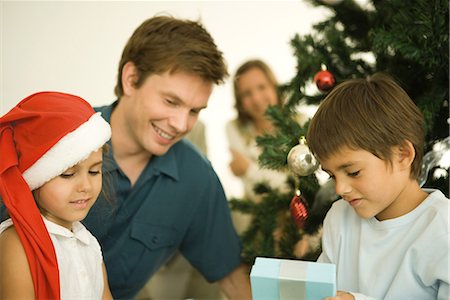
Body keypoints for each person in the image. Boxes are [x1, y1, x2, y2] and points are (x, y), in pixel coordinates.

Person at [82, 15, 252, 299]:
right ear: (131, 79)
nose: (182, 124)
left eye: (195, 110)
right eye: (171, 102)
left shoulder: (197, 179)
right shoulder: (58, 141)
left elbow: (234, 280)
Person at [306, 73, 449, 300]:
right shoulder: (339, 219)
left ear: (403, 155)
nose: (341, 188)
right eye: (332, 176)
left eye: (353, 172)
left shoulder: (442, 228)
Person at [0, 91, 113, 299]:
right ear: (36, 178)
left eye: (94, 171)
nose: (85, 186)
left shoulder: (88, 244)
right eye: (68, 174)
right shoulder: (16, 244)